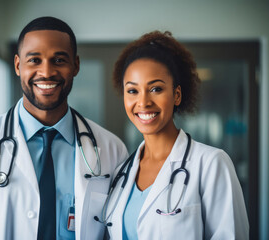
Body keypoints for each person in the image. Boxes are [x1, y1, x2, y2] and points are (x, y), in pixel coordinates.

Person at [0, 16, 128, 240]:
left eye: (59, 60)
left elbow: (118, 232)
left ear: (76, 66)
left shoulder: (111, 150)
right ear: (18, 65)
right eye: (34, 60)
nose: (47, 72)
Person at [98, 31, 249, 239]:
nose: (143, 102)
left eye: (156, 89)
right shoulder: (121, 173)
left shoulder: (211, 164)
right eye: (133, 91)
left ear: (176, 95)